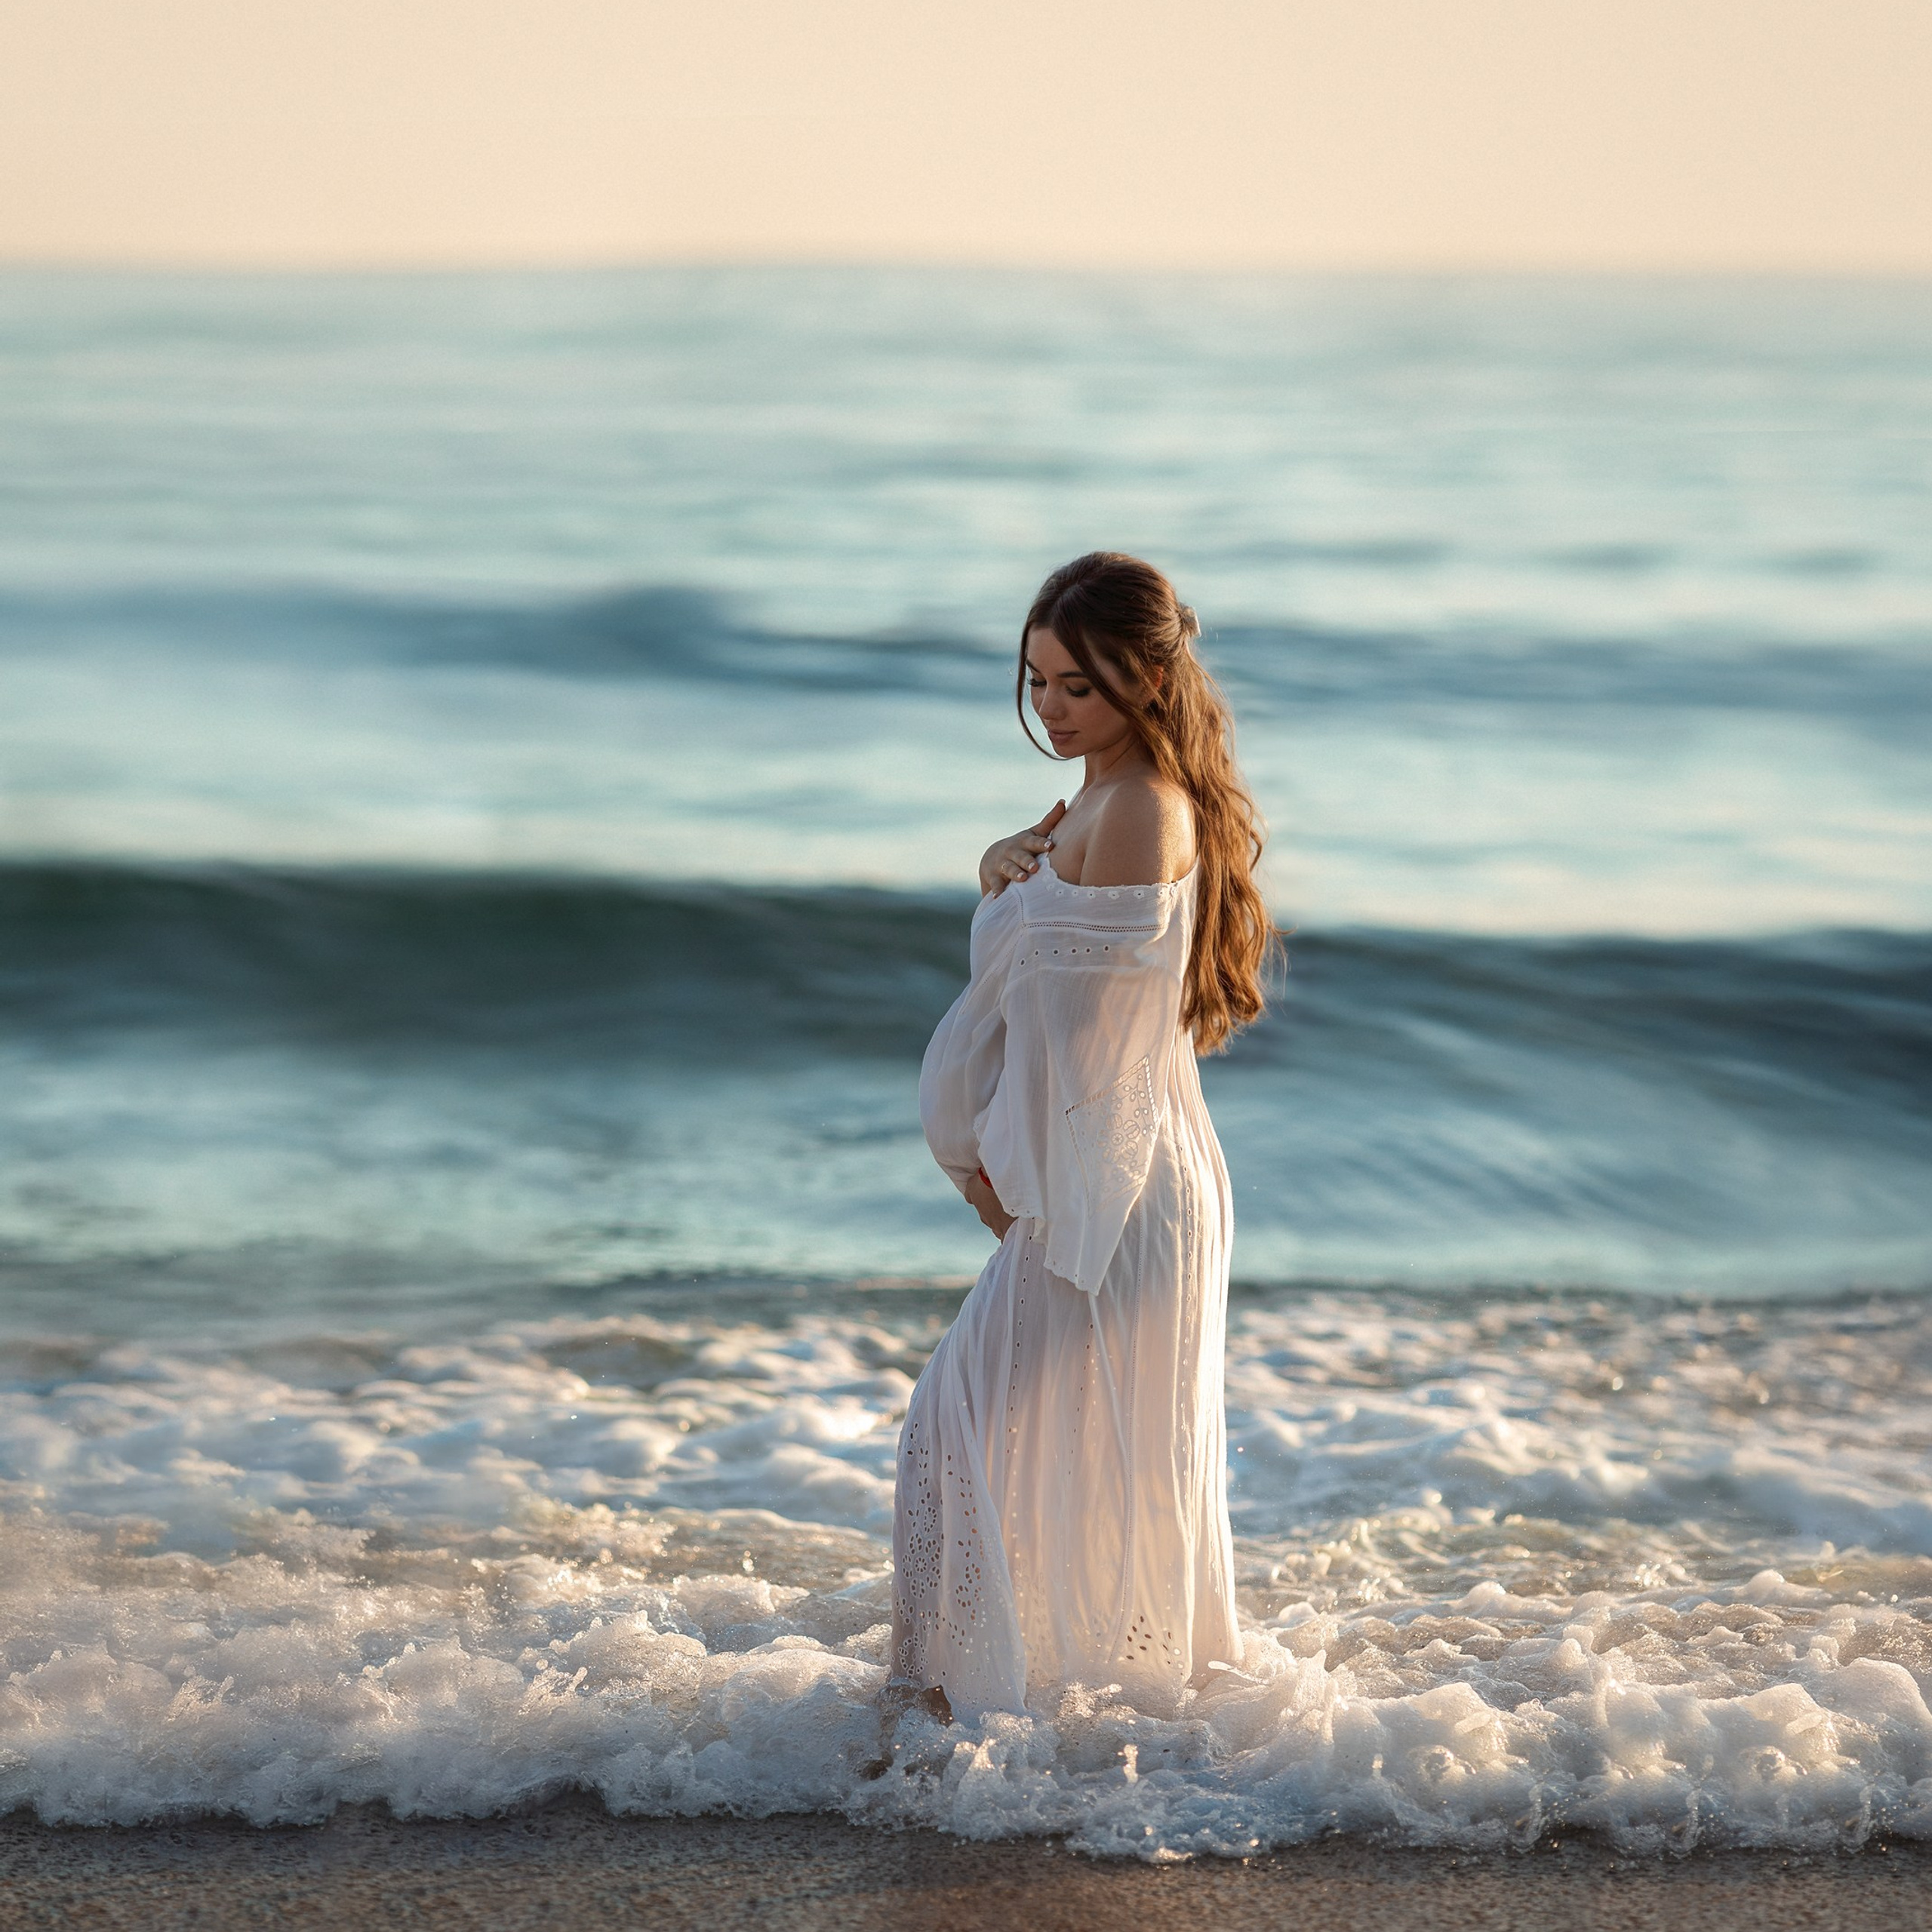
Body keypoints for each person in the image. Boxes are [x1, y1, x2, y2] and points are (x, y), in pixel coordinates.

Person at [892, 551, 1274, 1721]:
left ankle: (989, 1719)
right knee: (1041, 1445)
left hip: (1115, 1183)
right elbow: (1047, 1003)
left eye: (1080, 687)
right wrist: (1003, 869)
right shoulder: (1106, 802)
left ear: (1148, 681)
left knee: (955, 1427)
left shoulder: (1139, 812)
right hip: (1114, 1172)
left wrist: (1000, 1193)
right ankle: (1029, 1708)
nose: (1053, 709)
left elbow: (1082, 1057)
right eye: (1038, 681)